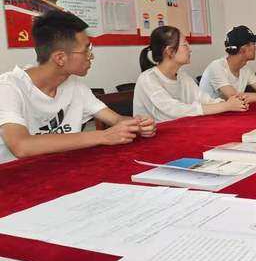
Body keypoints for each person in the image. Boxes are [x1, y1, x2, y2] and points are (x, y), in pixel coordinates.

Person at [0, 10, 156, 164]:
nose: (91, 56)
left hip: (61, 168)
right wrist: (103, 136)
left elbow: (116, 119)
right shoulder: (9, 88)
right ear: (60, 58)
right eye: (86, 50)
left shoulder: (74, 86)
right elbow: (22, 146)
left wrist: (138, 125)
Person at [134, 26, 248, 122]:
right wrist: (225, 106)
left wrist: (233, 103)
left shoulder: (182, 76)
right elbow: (175, 110)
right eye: (185, 45)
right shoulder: (148, 79)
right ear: (170, 51)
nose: (190, 49)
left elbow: (203, 98)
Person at [199, 26, 256, 102]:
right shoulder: (216, 67)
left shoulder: (245, 68)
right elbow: (235, 97)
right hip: (208, 117)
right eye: (253, 44)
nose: (255, 48)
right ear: (243, 49)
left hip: (227, 115)